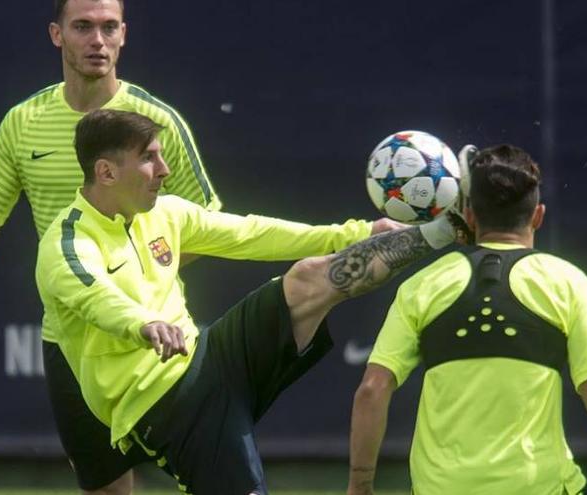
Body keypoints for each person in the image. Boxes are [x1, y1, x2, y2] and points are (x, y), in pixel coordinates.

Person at [35, 109, 464, 495]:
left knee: (308, 279)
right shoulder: (66, 243)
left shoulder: (166, 212)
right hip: (166, 406)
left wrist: (355, 233)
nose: (164, 170)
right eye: (149, 158)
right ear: (106, 173)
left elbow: (251, 232)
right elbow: (95, 296)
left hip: (210, 353)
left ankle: (446, 230)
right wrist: (142, 324)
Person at [0, 0, 222, 492]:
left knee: (212, 471)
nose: (98, 40)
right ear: (56, 34)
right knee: (105, 485)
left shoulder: (156, 121)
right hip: (72, 341)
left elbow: (209, 222)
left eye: (109, 27)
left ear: (124, 35)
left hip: (160, 333)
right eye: (83, 27)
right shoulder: (23, 122)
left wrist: (141, 269)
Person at [346, 144, 587, 495]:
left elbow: (372, 390)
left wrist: (360, 484)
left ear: (470, 216)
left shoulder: (422, 285)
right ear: (538, 216)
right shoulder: (568, 283)